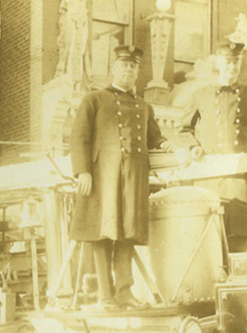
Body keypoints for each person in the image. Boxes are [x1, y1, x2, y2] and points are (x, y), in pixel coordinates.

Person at [69, 44, 188, 310]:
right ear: (114, 68)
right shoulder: (95, 99)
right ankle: (105, 296)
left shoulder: (143, 106)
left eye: (133, 67)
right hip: (103, 179)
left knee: (126, 235)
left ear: (137, 73)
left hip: (132, 180)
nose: (129, 70)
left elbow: (155, 137)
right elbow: (79, 137)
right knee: (102, 235)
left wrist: (168, 144)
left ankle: (124, 293)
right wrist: (82, 171)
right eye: (124, 65)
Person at [181, 41, 247, 250]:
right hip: (210, 177)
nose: (232, 66)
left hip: (242, 179)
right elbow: (183, 128)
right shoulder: (200, 94)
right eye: (228, 62)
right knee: (209, 233)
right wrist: (193, 146)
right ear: (219, 63)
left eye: (236, 62)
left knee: (239, 235)